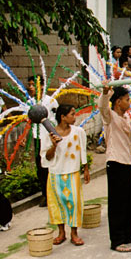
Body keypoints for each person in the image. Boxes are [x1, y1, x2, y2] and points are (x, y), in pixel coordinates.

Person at [98, 85, 131, 253]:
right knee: (117, 204)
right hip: (115, 163)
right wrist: (106, 92)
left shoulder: (127, 119)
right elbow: (102, 106)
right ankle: (117, 240)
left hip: (127, 164)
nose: (130, 102)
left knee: (130, 201)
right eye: (127, 100)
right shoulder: (110, 117)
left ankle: (129, 235)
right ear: (118, 101)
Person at [40, 104, 89, 246]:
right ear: (63, 117)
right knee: (56, 204)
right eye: (72, 114)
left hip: (72, 172)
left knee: (74, 203)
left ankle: (74, 233)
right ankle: (61, 233)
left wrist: (85, 169)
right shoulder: (49, 134)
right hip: (55, 173)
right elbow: (46, 158)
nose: (75, 117)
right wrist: (54, 145)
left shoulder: (78, 131)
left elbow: (83, 151)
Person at [26, 75, 59, 207]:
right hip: (37, 137)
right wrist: (25, 139)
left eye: (33, 84)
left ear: (41, 86)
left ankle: (55, 194)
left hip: (49, 137)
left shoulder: (50, 101)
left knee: (51, 164)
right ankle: (45, 195)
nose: (31, 87)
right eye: (29, 85)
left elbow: (57, 119)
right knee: (40, 167)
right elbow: (28, 121)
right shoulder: (30, 103)